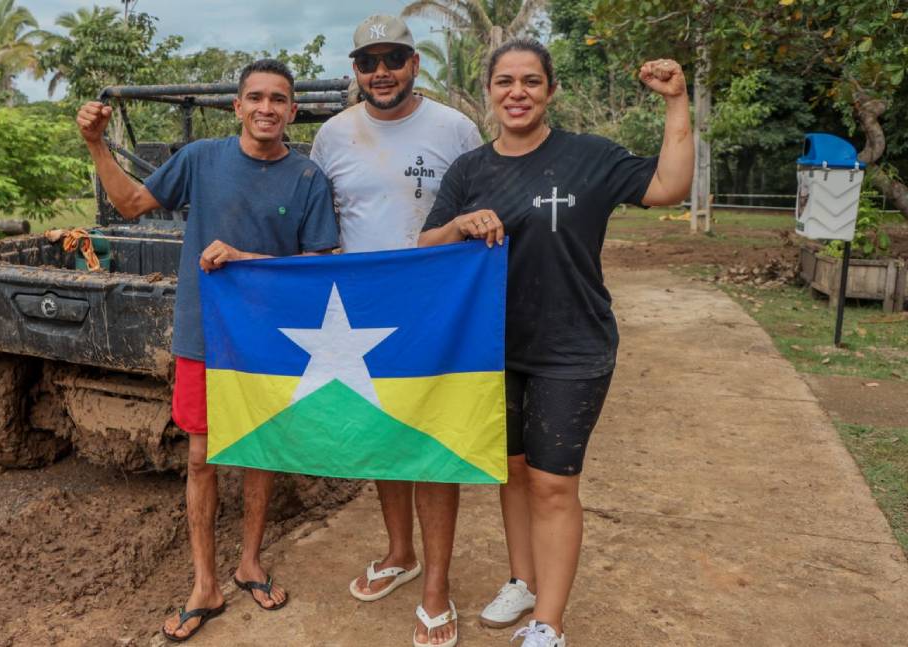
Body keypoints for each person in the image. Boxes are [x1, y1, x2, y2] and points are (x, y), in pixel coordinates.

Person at [418, 38, 693, 647]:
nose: (517, 92)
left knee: (552, 482)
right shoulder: (470, 171)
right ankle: (523, 581)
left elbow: (669, 185)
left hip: (573, 345)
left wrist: (677, 103)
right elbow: (426, 246)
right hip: (491, 346)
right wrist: (461, 224)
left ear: (551, 90)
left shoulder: (589, 158)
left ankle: (550, 623)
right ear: (489, 91)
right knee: (511, 472)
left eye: (531, 82)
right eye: (505, 82)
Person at [76, 58, 340, 642]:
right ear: (237, 107)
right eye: (255, 98)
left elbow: (322, 266)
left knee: (261, 453)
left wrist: (248, 260)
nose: (266, 108)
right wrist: (97, 145)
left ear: (292, 111)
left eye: (278, 99)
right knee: (201, 459)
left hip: (274, 342)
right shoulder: (201, 161)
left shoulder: (307, 179)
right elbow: (131, 205)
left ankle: (249, 563)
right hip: (205, 335)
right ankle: (205, 585)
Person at [309, 13, 483, 647]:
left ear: (414, 64)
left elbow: (481, 207)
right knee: (384, 436)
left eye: (393, 59)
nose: (380, 71)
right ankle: (399, 553)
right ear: (354, 71)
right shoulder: (331, 135)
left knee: (433, 443)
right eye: (367, 61)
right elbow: (317, 223)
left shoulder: (455, 128)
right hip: (359, 311)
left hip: (440, 307)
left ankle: (436, 587)